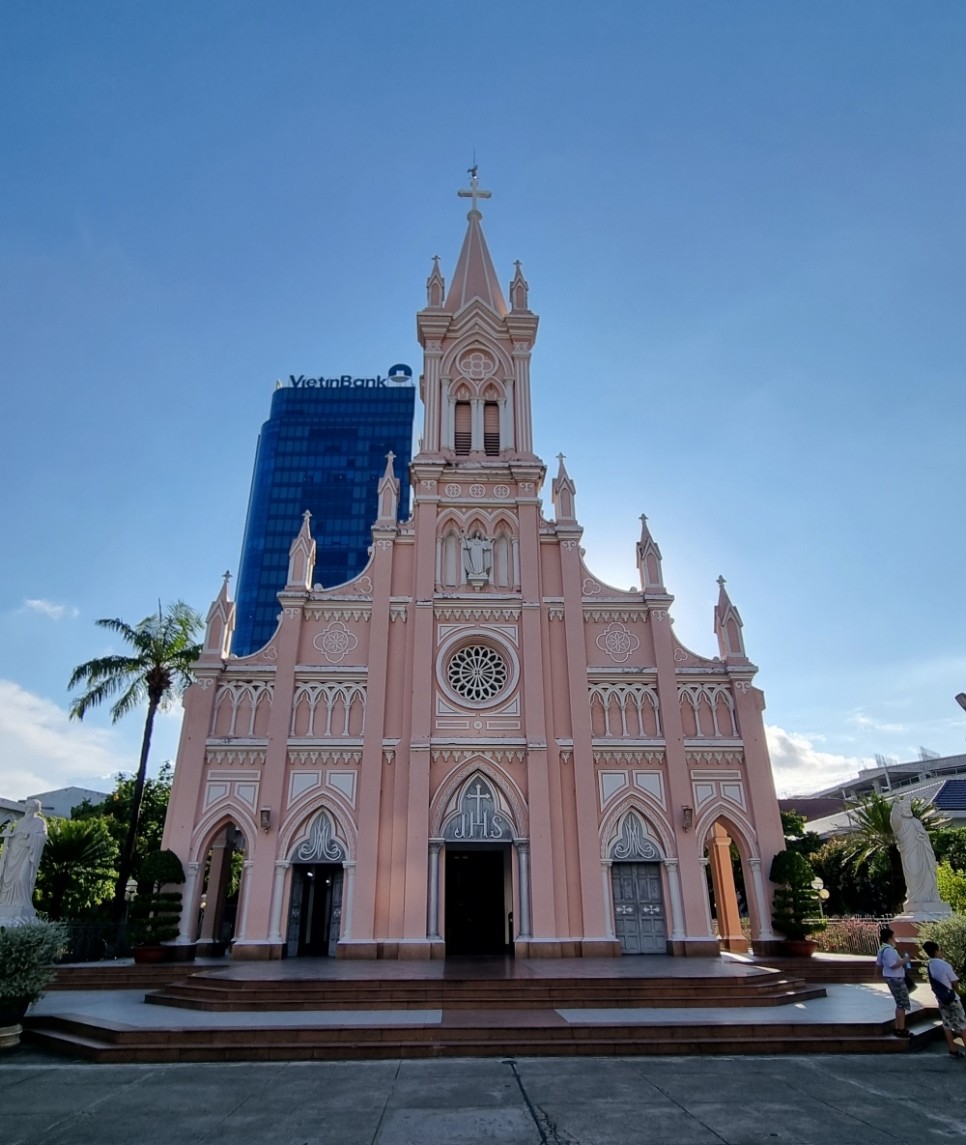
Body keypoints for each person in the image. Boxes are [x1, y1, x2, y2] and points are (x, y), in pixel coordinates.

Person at [0, 799, 48, 922]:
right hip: (14, 853)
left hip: (27, 853)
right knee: (7, 879)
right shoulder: (20, 822)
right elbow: (13, 838)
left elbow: (42, 838)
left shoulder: (39, 822)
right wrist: (8, 835)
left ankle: (22, 903)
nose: (28, 809)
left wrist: (30, 835)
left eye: (31, 807)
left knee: (23, 878)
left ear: (36, 809)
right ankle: (7, 903)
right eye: (26, 807)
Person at [890, 796, 942, 909]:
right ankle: (915, 897)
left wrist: (922, 837)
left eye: (909, 807)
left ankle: (929, 898)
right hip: (909, 852)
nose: (908, 809)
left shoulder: (916, 822)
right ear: (900, 809)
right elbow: (894, 819)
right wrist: (896, 805)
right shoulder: (899, 823)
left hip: (922, 851)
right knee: (913, 873)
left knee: (927, 873)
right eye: (905, 807)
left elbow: (925, 835)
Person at [922, 940, 966, 1058]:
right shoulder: (945, 965)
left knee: (946, 1024)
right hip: (952, 997)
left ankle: (952, 1049)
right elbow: (954, 982)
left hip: (941, 998)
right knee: (962, 1024)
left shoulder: (930, 965)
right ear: (936, 951)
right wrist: (957, 993)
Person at [876, 925, 914, 1038]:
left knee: (900, 1003)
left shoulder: (882, 949)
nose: (895, 939)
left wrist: (876, 974)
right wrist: (905, 960)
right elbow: (893, 965)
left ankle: (899, 1027)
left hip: (891, 977)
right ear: (889, 938)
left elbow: (878, 964)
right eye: (893, 937)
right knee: (901, 1004)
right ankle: (901, 1029)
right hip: (896, 978)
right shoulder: (889, 950)